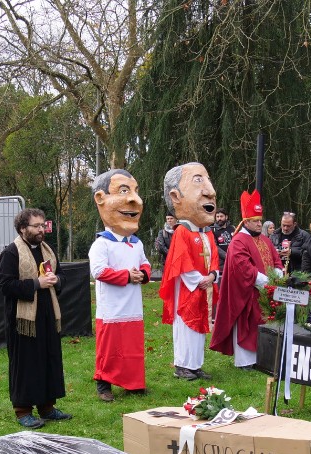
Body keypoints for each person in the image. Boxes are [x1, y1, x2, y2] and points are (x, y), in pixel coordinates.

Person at [0, 208, 70, 428]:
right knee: (26, 364)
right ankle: (23, 410)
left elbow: (62, 275)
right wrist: (37, 284)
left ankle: (47, 407)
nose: (41, 230)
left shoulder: (48, 249)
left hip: (48, 315)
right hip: (23, 320)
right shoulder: (11, 252)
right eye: (36, 226)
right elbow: (5, 285)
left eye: (42, 225)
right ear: (22, 228)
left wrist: (56, 280)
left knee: (49, 359)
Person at [88, 169, 151, 402]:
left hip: (133, 305)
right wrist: (126, 276)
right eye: (124, 191)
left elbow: (145, 263)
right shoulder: (101, 244)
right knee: (110, 347)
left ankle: (133, 382)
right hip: (111, 308)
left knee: (132, 347)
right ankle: (104, 384)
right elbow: (98, 271)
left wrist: (142, 274)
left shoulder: (137, 243)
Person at [159, 162, 219, 381]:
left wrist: (212, 276)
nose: (211, 191)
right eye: (198, 181)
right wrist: (199, 280)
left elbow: (214, 258)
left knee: (200, 326)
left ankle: (196, 364)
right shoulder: (182, 232)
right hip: (188, 288)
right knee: (186, 327)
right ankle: (182, 365)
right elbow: (180, 262)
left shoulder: (207, 233)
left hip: (204, 287)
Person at [210, 190, 280, 369]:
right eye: (255, 221)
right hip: (247, 291)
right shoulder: (239, 241)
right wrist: (267, 282)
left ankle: (262, 357)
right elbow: (243, 268)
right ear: (246, 221)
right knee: (247, 323)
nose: (259, 224)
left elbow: (276, 259)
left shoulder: (265, 240)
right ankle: (245, 360)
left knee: (264, 323)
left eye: (260, 220)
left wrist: (278, 274)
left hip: (267, 291)